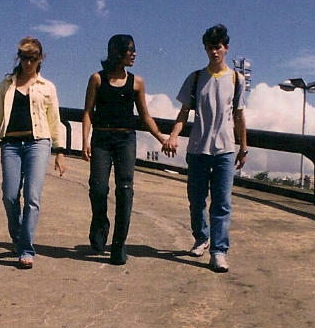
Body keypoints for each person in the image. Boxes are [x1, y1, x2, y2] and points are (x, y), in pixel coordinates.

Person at [164, 23, 248, 272]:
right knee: (196, 200)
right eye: (210, 48)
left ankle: (219, 252)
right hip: (198, 149)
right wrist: (173, 136)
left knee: (222, 202)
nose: (214, 52)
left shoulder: (236, 79)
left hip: (225, 150)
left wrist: (244, 146)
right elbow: (182, 114)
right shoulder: (196, 78)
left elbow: (240, 115)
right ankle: (202, 238)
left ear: (226, 48)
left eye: (218, 48)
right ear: (205, 49)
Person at [82, 34, 169, 265]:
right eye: (130, 50)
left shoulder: (137, 82)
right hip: (101, 138)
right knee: (98, 188)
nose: (134, 53)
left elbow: (145, 116)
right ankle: (100, 224)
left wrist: (161, 137)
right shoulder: (97, 79)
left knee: (125, 189)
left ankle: (119, 245)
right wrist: (85, 140)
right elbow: (88, 111)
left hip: (125, 140)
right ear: (117, 52)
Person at [0, 36, 65, 269]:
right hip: (11, 144)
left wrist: (59, 152)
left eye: (33, 58)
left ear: (40, 59)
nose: (28, 63)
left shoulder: (47, 87)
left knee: (32, 197)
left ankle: (26, 249)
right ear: (19, 58)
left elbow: (55, 120)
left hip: (38, 143)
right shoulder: (6, 85)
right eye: (24, 58)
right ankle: (18, 236)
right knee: (10, 195)